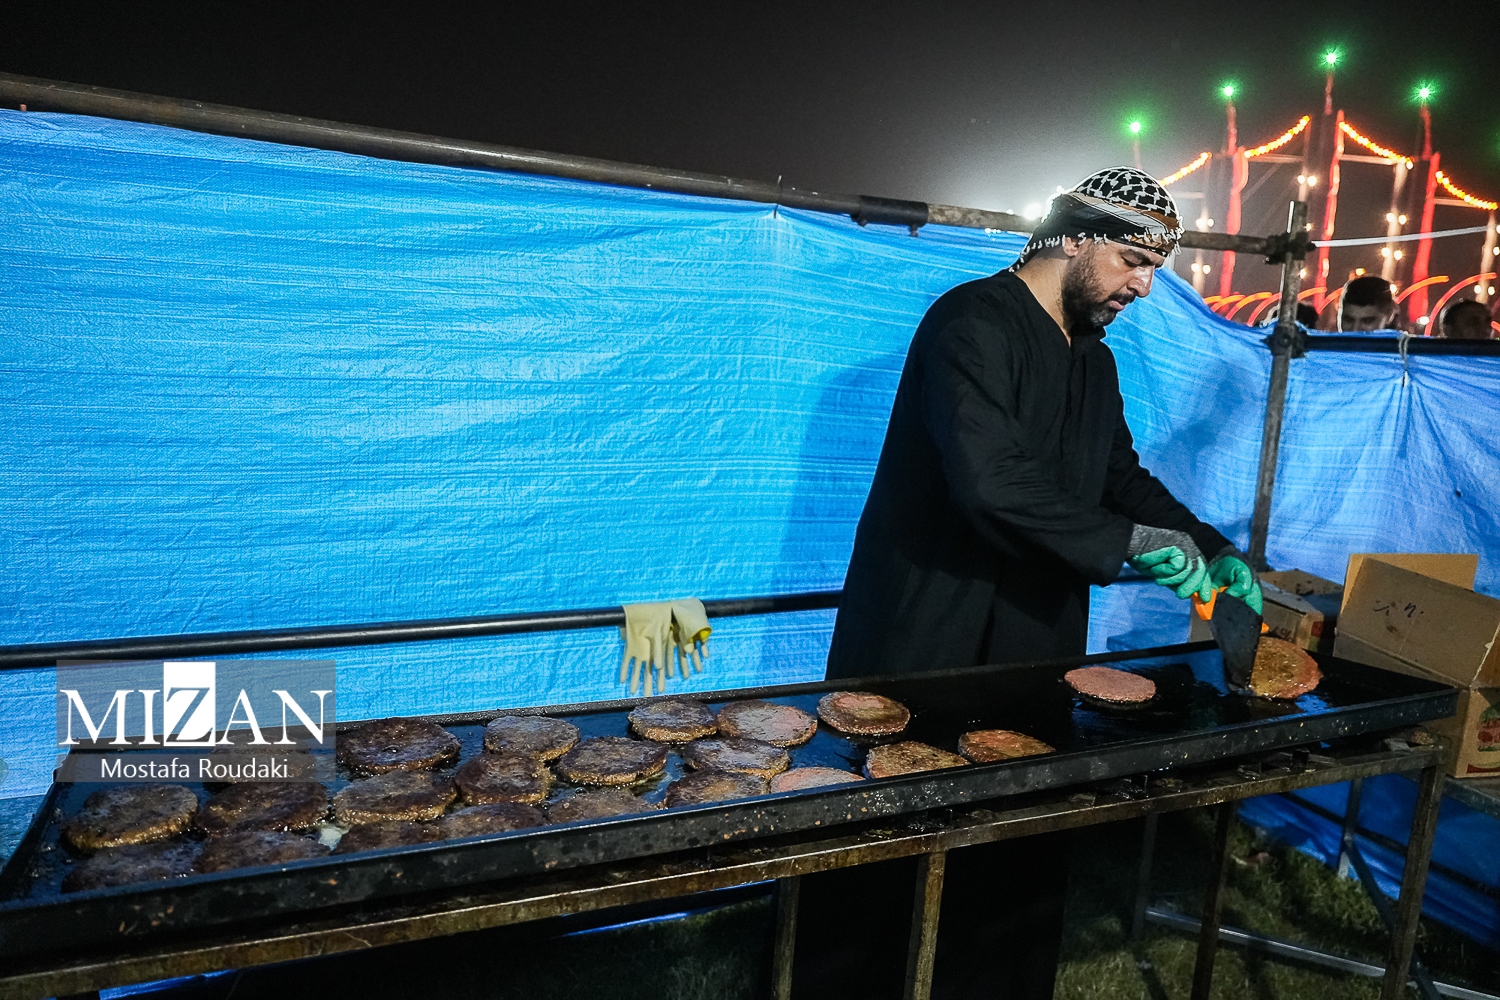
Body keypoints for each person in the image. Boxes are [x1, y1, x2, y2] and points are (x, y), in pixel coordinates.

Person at [799, 168, 1259, 1000]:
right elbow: (991, 480)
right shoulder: (970, 321)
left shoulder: (1094, 361)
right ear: (1073, 236)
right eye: (1132, 261)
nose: (1143, 288)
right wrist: (1136, 547)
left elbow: (1119, 479)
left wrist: (1214, 549)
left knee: (1013, 845)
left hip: (1034, 635)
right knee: (890, 851)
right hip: (924, 634)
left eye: (1154, 270)